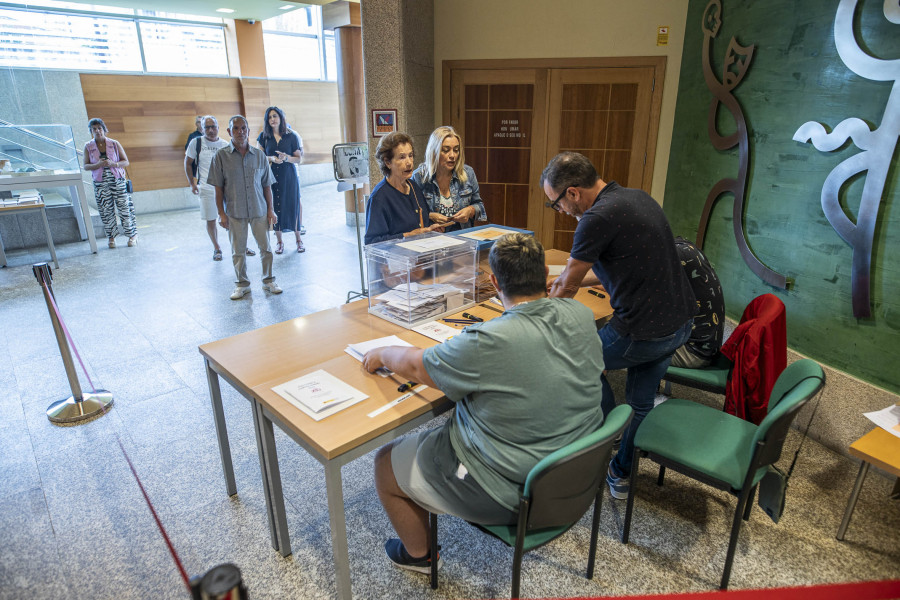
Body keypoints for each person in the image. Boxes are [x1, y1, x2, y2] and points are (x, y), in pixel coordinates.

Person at [363, 233, 606, 573]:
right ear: (545, 276)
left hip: (512, 493)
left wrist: (381, 353)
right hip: (576, 479)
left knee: (384, 463)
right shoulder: (579, 313)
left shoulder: (487, 342)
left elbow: (418, 365)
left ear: (493, 282)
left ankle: (419, 555)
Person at [543, 152, 696, 500]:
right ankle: (621, 472)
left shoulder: (594, 218)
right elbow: (610, 269)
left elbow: (567, 285)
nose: (562, 213)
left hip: (642, 331)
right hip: (678, 323)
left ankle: (606, 429)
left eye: (556, 205)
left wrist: (540, 317)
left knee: (574, 358)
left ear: (573, 193)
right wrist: (565, 280)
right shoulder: (635, 197)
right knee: (641, 403)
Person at [207, 115, 282, 300]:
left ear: (248, 131)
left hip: (259, 210)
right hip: (235, 212)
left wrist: (270, 210)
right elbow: (218, 189)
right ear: (229, 132)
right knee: (238, 251)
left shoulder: (259, 156)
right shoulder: (221, 157)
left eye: (243, 128)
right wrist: (221, 214)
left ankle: (268, 280)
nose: (240, 132)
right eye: (236, 129)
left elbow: (267, 186)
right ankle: (242, 284)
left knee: (266, 249)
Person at [364, 132, 444, 244]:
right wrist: (408, 236)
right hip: (397, 260)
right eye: (402, 157)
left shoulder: (413, 186)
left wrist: (431, 229)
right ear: (387, 162)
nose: (409, 163)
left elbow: (421, 222)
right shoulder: (379, 198)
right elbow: (372, 242)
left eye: (410, 155)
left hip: (420, 257)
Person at [413, 126, 486, 232]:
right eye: (446, 150)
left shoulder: (468, 173)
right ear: (434, 152)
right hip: (432, 240)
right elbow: (411, 214)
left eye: (456, 150)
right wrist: (430, 216)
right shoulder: (419, 177)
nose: (452, 155)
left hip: (462, 236)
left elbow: (479, 205)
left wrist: (470, 210)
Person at [256, 106, 305, 254]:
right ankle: (279, 242)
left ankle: (299, 240)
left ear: (281, 118)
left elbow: (299, 158)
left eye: (275, 116)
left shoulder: (291, 136)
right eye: (270, 117)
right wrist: (271, 158)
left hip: (289, 176)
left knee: (293, 205)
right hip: (271, 176)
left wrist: (286, 158)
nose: (272, 119)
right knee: (275, 206)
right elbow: (258, 158)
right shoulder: (263, 137)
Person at [82, 118, 137, 249]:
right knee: (106, 211)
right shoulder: (88, 146)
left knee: (124, 209)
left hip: (117, 180)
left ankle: (132, 235)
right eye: (94, 129)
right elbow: (85, 166)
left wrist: (114, 164)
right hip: (100, 183)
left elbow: (126, 162)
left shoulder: (114, 143)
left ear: (104, 130)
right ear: (91, 131)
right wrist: (98, 164)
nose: (97, 131)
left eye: (99, 128)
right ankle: (111, 238)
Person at [671, 236, 725, 368]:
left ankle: (642, 388)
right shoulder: (685, 246)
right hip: (708, 345)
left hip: (694, 352)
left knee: (629, 346)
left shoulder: (674, 256)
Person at [185, 115, 230, 261]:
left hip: (226, 189)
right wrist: (192, 183)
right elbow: (187, 163)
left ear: (218, 127)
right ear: (202, 129)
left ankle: (238, 245)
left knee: (232, 218)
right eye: (207, 127)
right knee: (211, 219)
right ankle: (217, 248)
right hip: (206, 188)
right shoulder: (196, 143)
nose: (211, 130)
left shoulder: (225, 144)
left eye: (213, 126)